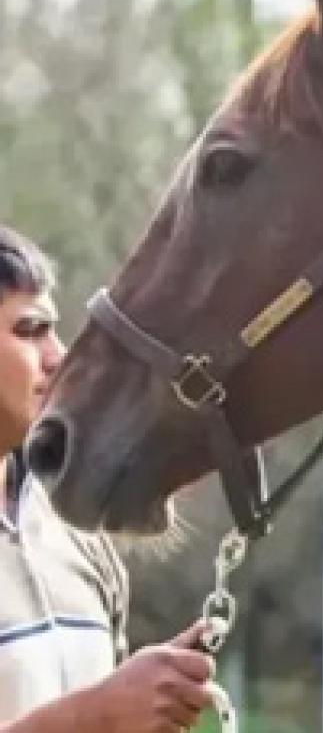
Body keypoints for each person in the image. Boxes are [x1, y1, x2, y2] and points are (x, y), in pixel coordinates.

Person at [0, 225, 216, 733]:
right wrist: (95, 716)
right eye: (29, 331)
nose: (57, 355)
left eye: (54, 329)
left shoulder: (71, 528)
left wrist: (152, 702)